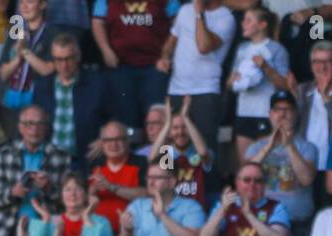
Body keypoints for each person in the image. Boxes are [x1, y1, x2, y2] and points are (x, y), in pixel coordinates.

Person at [162, 0, 236, 156]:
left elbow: (203, 46)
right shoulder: (185, 10)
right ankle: (167, 178)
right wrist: (165, 56)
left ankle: (205, 180)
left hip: (205, 90)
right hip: (176, 88)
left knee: (204, 145)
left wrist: (199, 14)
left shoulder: (226, 18)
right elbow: (170, 42)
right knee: (170, 140)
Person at [0, 105, 69, 236]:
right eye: (29, 124)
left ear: (46, 128)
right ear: (20, 127)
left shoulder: (61, 155)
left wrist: (49, 187)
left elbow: (67, 202)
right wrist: (13, 192)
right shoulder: (5, 154)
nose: (34, 129)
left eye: (40, 124)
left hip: (47, 228)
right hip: (11, 228)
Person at [91, 0, 173, 130]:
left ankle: (159, 150)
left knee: (157, 121)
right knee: (126, 122)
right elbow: (98, 22)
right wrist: (106, 50)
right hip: (120, 67)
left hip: (155, 67)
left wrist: (166, 55)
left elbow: (177, 24)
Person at [246, 91, 318, 231]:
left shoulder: (308, 147)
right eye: (277, 109)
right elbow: (245, 177)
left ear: (295, 114)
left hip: (297, 222)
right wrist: (268, 148)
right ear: (270, 114)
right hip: (264, 220)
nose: (282, 114)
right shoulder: (256, 148)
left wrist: (289, 145)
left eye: (288, 109)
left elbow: (306, 179)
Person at [33, 33, 105, 170]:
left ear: (78, 56)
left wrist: (105, 139)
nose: (64, 65)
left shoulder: (97, 84)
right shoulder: (42, 86)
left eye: (68, 59)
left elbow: (115, 117)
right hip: (50, 161)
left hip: (86, 159)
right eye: (58, 60)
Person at [228, 7, 289, 163]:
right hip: (243, 112)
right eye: (243, 20)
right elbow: (230, 83)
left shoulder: (277, 49)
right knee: (245, 165)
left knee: (265, 163)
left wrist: (266, 67)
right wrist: (233, 80)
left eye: (248, 20)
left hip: (265, 113)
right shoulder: (242, 49)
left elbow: (285, 85)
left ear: (262, 25)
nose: (243, 24)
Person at [292, 41, 332, 173]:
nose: (322, 67)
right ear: (311, 66)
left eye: (328, 61)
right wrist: (294, 97)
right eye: (317, 62)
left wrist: (326, 98)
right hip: (304, 164)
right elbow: (292, 126)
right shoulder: (302, 90)